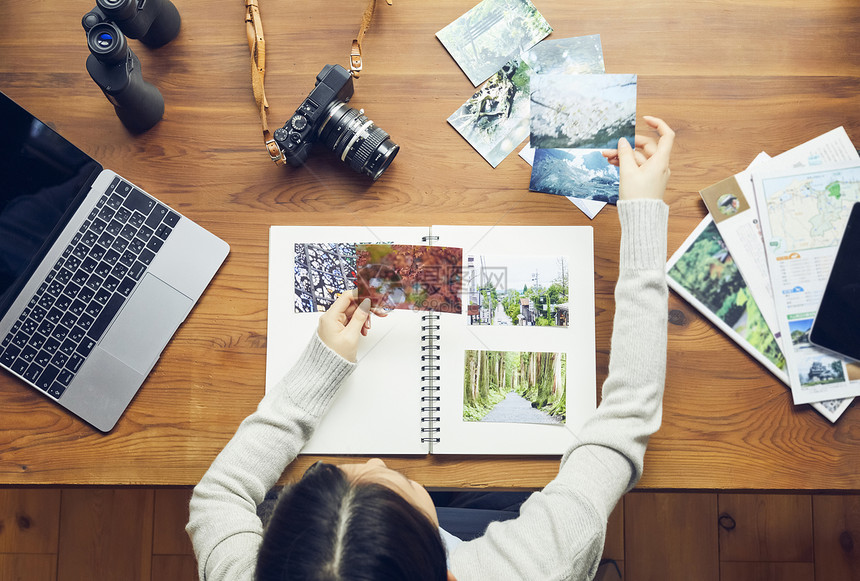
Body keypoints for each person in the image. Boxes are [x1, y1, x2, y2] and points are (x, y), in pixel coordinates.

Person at [186, 115, 675, 581]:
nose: (377, 462)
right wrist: (644, 213)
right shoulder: (534, 563)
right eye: (395, 485)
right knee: (491, 505)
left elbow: (217, 497)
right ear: (442, 568)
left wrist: (322, 366)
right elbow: (626, 418)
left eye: (337, 475)